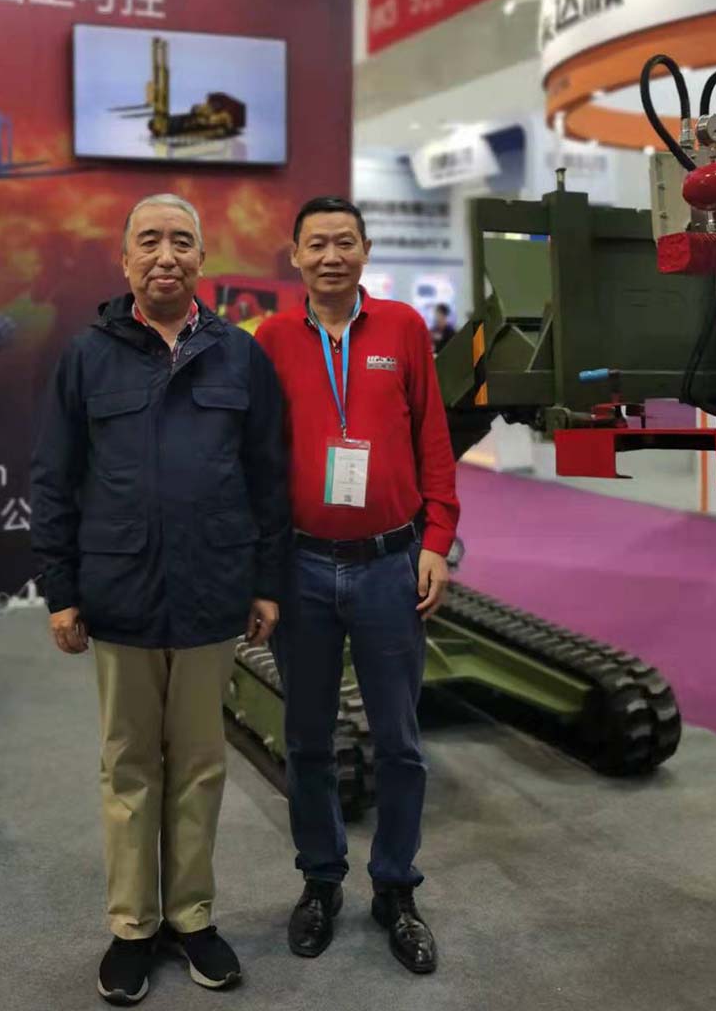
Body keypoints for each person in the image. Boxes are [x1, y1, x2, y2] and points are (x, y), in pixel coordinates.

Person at [30, 193, 290, 1006]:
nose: (166, 255)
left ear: (203, 260)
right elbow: (54, 479)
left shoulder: (239, 358)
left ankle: (192, 917)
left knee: (201, 765)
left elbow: (268, 477)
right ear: (125, 259)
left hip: (213, 593)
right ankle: (133, 928)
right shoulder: (87, 357)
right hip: (122, 595)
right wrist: (62, 590)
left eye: (182, 241)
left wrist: (266, 581)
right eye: (150, 241)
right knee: (129, 766)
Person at [255, 196, 459, 975]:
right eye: (317, 244)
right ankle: (321, 880)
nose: (332, 256)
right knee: (307, 739)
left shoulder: (402, 329)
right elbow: (260, 458)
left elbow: (433, 440)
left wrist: (436, 540)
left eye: (345, 242)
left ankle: (396, 888)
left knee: (400, 742)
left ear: (365, 251)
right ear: (296, 256)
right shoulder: (272, 339)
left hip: (387, 565)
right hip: (302, 567)